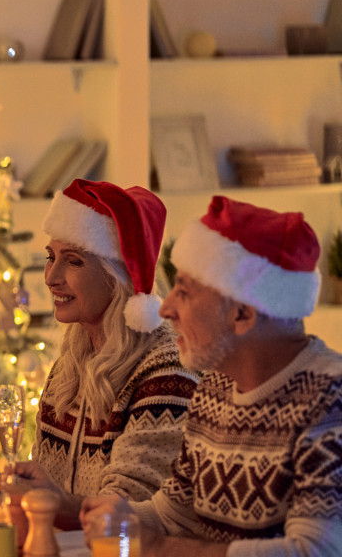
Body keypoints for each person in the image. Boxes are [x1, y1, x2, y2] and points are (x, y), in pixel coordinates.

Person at [82, 196, 342, 556]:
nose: (167, 307)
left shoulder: (331, 401)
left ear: (242, 315)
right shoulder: (214, 389)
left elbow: (314, 551)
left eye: (185, 292)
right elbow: (174, 514)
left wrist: (158, 546)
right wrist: (120, 516)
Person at [1, 180, 198, 527]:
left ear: (118, 276)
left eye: (73, 261)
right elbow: (46, 485)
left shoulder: (167, 373)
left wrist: (52, 504)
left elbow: (125, 514)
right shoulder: (72, 360)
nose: (50, 276)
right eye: (51, 257)